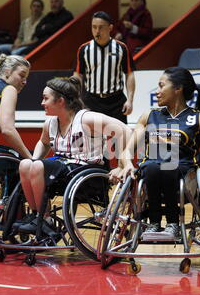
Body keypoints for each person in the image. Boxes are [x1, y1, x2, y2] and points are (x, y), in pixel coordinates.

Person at [111, 66, 200, 237]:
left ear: (178, 89)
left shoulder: (199, 117)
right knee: (153, 167)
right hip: (150, 171)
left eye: (161, 86)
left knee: (165, 166)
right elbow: (127, 151)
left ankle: (172, 222)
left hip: (184, 176)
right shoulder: (149, 115)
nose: (157, 92)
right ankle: (154, 223)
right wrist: (126, 164)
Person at [17, 76, 132, 235]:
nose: (42, 103)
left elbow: (125, 130)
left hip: (87, 173)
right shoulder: (50, 123)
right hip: (64, 169)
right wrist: (34, 159)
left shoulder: (87, 119)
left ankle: (43, 219)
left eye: (45, 98)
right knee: (25, 164)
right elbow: (43, 143)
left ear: (60, 101)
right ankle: (38, 216)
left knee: (37, 166)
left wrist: (121, 164)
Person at [74, 11, 136, 124]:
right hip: (91, 101)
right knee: (93, 140)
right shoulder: (84, 49)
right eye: (94, 27)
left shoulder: (121, 48)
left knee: (119, 139)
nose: (97, 31)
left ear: (110, 28)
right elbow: (78, 75)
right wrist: (76, 99)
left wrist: (130, 101)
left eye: (101, 27)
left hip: (116, 102)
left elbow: (129, 74)